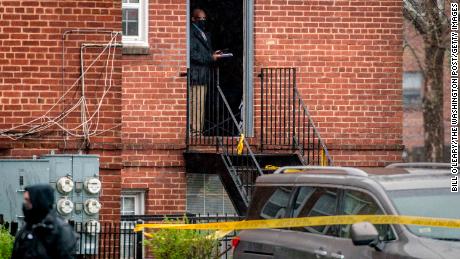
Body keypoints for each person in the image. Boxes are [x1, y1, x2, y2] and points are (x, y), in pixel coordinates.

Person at [12, 184, 77, 259]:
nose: (25, 204)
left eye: (28, 200)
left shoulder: (61, 230)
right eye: (25, 200)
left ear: (39, 201)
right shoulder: (26, 229)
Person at [189, 7, 223, 134]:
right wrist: (210, 57)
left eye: (204, 18)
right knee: (196, 104)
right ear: (193, 19)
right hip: (196, 75)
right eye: (200, 18)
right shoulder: (191, 33)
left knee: (201, 104)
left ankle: (198, 130)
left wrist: (213, 54)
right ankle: (195, 132)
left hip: (204, 75)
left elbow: (203, 52)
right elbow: (192, 54)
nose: (203, 21)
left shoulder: (204, 33)